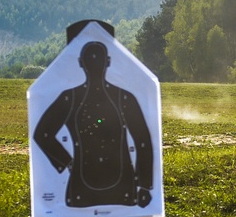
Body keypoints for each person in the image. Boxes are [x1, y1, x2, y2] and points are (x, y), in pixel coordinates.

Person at [33, 40, 154, 208]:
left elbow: (143, 141)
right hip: (116, 190)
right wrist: (144, 186)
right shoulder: (123, 98)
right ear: (108, 62)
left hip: (86, 189)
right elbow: (142, 142)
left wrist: (67, 162)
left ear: (81, 63)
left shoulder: (71, 98)